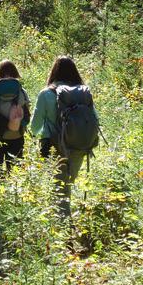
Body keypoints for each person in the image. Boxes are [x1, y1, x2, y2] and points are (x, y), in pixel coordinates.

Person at [30, 56, 97, 217]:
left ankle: (64, 230)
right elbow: (95, 119)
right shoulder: (83, 92)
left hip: (54, 147)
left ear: (54, 71)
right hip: (79, 145)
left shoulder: (46, 94)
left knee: (59, 188)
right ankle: (65, 227)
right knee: (66, 186)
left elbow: (35, 126)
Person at [0, 59, 30, 172]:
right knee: (14, 169)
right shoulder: (21, 90)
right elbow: (27, 110)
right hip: (16, 134)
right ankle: (13, 188)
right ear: (15, 72)